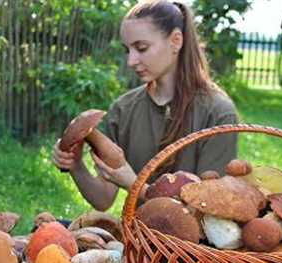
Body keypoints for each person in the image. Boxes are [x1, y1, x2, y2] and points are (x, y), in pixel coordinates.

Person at [53, 0, 238, 211]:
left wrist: (135, 186)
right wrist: (76, 166)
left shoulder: (218, 113)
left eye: (141, 48)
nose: (131, 60)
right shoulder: (123, 109)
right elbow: (103, 200)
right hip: (136, 238)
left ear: (176, 41)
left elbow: (209, 211)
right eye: (128, 49)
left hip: (190, 243)